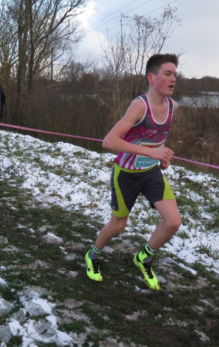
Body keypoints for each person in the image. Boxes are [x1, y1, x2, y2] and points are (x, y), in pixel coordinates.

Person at [85, 53, 181, 291]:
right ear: (151, 77)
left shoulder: (172, 107)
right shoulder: (140, 106)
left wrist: (163, 156)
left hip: (151, 174)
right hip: (126, 174)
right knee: (118, 225)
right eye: (167, 74)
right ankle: (93, 255)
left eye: (175, 75)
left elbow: (156, 140)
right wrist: (151, 153)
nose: (173, 79)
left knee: (172, 222)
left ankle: (143, 258)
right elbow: (108, 141)